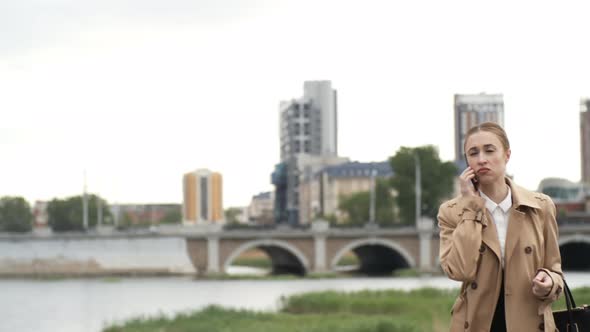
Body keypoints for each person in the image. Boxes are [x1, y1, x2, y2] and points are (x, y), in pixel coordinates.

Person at [438, 122, 564, 331]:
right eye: (473, 153)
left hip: (531, 322)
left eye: (489, 150)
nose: (481, 159)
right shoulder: (452, 212)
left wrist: (549, 282)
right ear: (467, 162)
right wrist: (471, 209)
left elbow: (555, 270)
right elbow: (460, 271)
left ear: (507, 155)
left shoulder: (540, 206)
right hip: (477, 323)